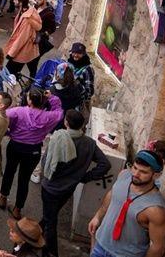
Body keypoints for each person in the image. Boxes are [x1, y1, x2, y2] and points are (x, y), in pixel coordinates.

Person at [39, 109, 110, 257]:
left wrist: (83, 178)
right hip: (68, 189)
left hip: (51, 188)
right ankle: (36, 230)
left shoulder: (58, 139)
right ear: (82, 125)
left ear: (66, 122)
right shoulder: (89, 144)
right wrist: (84, 177)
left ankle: (51, 253)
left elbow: (46, 163)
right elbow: (105, 164)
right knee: (50, 215)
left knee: (51, 223)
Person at [88, 150, 165, 257]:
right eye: (134, 168)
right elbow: (112, 194)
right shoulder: (124, 175)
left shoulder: (155, 209)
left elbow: (158, 247)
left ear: (156, 175)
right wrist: (97, 217)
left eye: (143, 172)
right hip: (100, 246)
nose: (135, 174)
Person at [0, 89, 63, 220]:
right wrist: (52, 98)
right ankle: (18, 209)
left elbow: (2, 117)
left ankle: (3, 197)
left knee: (9, 171)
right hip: (33, 150)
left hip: (15, 146)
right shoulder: (48, 116)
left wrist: (8, 132)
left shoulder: (18, 111)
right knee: (24, 179)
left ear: (29, 101)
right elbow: (59, 112)